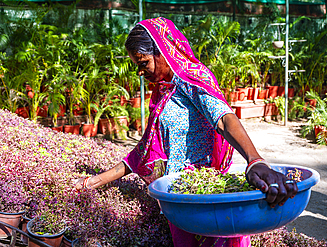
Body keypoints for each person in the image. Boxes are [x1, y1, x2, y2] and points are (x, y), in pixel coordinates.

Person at [75, 17, 298, 247]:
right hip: (178, 198)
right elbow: (142, 153)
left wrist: (255, 161)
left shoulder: (191, 79)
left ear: (162, 50)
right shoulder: (163, 92)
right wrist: (92, 182)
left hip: (206, 197)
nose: (140, 72)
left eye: (143, 63)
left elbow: (223, 117)